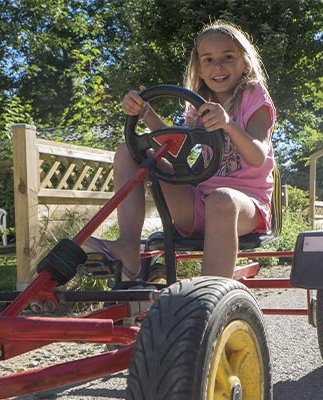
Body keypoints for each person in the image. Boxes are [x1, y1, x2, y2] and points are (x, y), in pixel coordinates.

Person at [84, 21, 276, 280]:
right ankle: (128, 250)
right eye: (208, 60)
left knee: (221, 200)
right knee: (128, 150)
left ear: (244, 62)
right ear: (199, 67)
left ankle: (210, 296)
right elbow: (174, 150)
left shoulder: (254, 97)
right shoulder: (200, 102)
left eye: (227, 57)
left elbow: (257, 156)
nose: (217, 66)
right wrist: (146, 114)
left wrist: (228, 125)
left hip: (245, 207)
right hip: (197, 205)